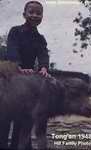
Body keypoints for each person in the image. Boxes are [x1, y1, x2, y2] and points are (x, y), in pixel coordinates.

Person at [6, 1, 49, 149]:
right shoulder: (15, 31)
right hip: (10, 75)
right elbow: (12, 49)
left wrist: (43, 67)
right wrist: (18, 66)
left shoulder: (40, 38)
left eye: (39, 13)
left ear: (42, 16)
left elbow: (43, 54)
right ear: (24, 14)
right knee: (5, 116)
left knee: (25, 116)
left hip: (28, 80)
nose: (35, 15)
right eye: (31, 12)